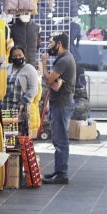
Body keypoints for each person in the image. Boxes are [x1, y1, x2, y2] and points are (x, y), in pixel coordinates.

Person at [40, 32, 77, 184]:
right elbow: (52, 81)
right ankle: (58, 171)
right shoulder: (63, 59)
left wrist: (43, 64)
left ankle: (62, 174)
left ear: (59, 43)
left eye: (50, 43)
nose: (49, 46)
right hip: (60, 103)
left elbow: (49, 79)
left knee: (60, 140)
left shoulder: (63, 60)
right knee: (58, 139)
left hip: (62, 104)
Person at [3, 45, 42, 138]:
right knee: (10, 138)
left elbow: (34, 89)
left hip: (21, 107)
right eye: (15, 56)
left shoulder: (29, 69)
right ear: (11, 57)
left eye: (20, 55)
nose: (17, 57)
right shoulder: (7, 68)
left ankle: (20, 153)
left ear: (24, 55)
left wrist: (22, 102)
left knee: (21, 137)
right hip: (7, 107)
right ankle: (11, 152)